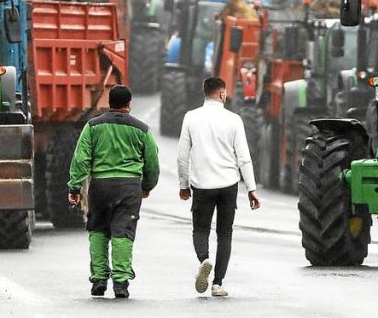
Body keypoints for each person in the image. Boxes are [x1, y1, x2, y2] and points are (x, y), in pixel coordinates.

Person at [69, 85, 159, 299]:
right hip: (129, 188)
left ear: (109, 103)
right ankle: (120, 282)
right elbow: (152, 163)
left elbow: (81, 159)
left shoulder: (92, 126)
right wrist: (147, 186)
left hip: (100, 187)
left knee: (98, 230)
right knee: (123, 232)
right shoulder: (142, 129)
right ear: (129, 103)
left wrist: (75, 187)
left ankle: (99, 279)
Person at [177, 77, 262, 298]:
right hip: (228, 184)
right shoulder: (234, 119)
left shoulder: (191, 118)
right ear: (222, 94)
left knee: (201, 229)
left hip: (202, 185)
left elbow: (182, 157)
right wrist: (251, 188)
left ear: (204, 93)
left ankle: (204, 259)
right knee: (225, 233)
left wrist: (184, 185)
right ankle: (217, 284)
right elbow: (244, 158)